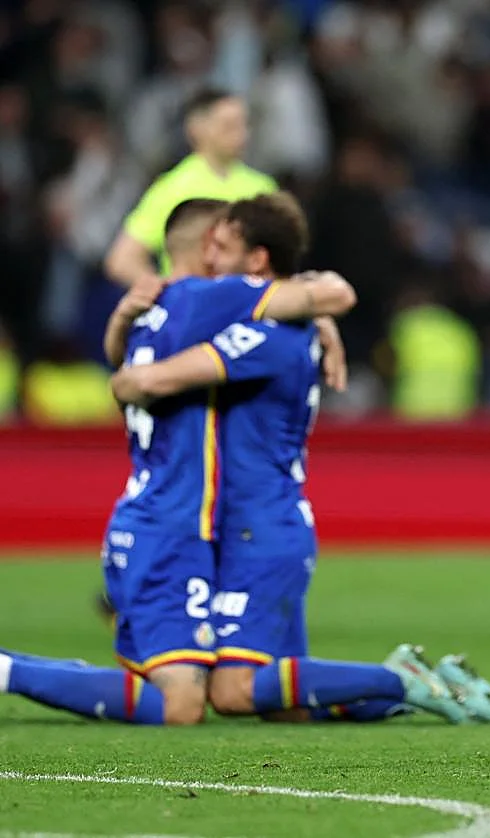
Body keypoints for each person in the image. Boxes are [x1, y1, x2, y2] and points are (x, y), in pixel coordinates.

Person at [110, 194, 490, 725]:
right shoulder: (280, 319)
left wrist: (134, 379)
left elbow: (159, 376)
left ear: (257, 262)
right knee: (289, 708)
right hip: (257, 522)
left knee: (233, 693)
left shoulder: (263, 330)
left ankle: (401, 679)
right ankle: (407, 693)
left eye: (224, 247)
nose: (212, 260)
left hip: (257, 528)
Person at [0, 198, 355, 724]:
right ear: (210, 246)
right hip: (173, 521)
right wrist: (316, 309)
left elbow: (127, 368)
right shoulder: (212, 300)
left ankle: (402, 689)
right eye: (220, 242)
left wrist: (121, 343)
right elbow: (337, 291)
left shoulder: (154, 308)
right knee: (186, 702)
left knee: (269, 698)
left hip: (168, 513)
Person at [104, 88, 276, 289]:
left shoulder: (263, 187)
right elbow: (122, 259)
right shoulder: (173, 188)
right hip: (196, 312)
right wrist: (166, 292)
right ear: (197, 129)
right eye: (228, 126)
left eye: (244, 125)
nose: (242, 134)